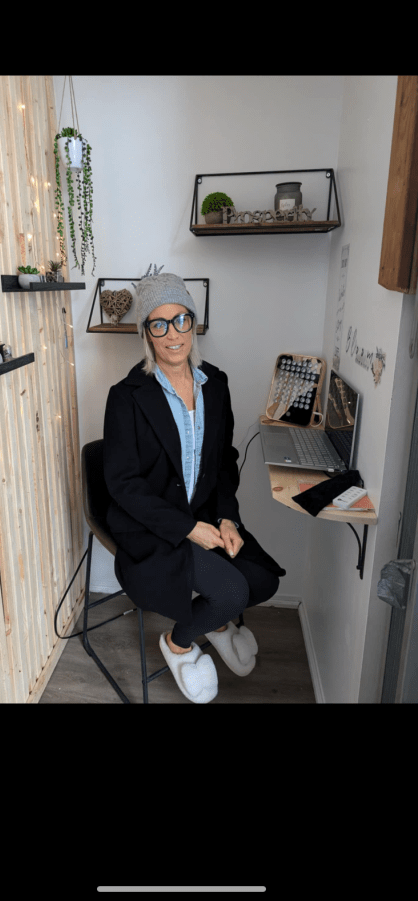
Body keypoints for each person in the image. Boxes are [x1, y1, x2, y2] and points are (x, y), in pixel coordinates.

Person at [103, 267, 286, 702]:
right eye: (159, 324)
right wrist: (187, 529)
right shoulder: (126, 396)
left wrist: (227, 517)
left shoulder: (215, 384)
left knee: (263, 580)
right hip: (153, 527)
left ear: (192, 323)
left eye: (180, 319)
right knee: (231, 591)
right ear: (146, 333)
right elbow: (123, 484)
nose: (173, 334)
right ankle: (178, 643)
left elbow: (223, 462)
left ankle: (216, 623)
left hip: (205, 515)